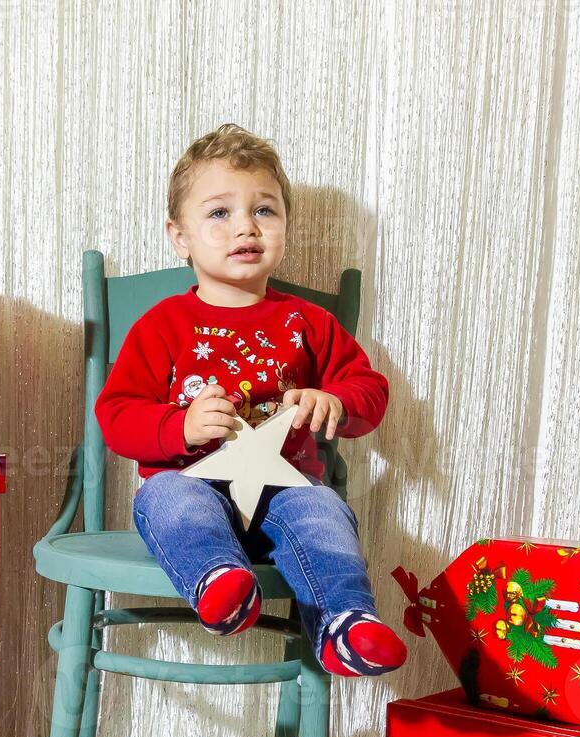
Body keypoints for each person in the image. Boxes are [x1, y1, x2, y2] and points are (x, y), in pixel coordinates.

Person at [94, 123, 406, 677]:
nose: (246, 226)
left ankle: (345, 623)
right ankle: (219, 583)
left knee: (324, 507)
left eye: (264, 210)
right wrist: (179, 426)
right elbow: (116, 416)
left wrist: (333, 400)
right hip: (192, 490)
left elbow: (370, 391)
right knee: (165, 495)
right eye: (219, 213)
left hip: (285, 494)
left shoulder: (308, 323)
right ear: (179, 236)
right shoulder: (163, 325)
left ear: (285, 227)